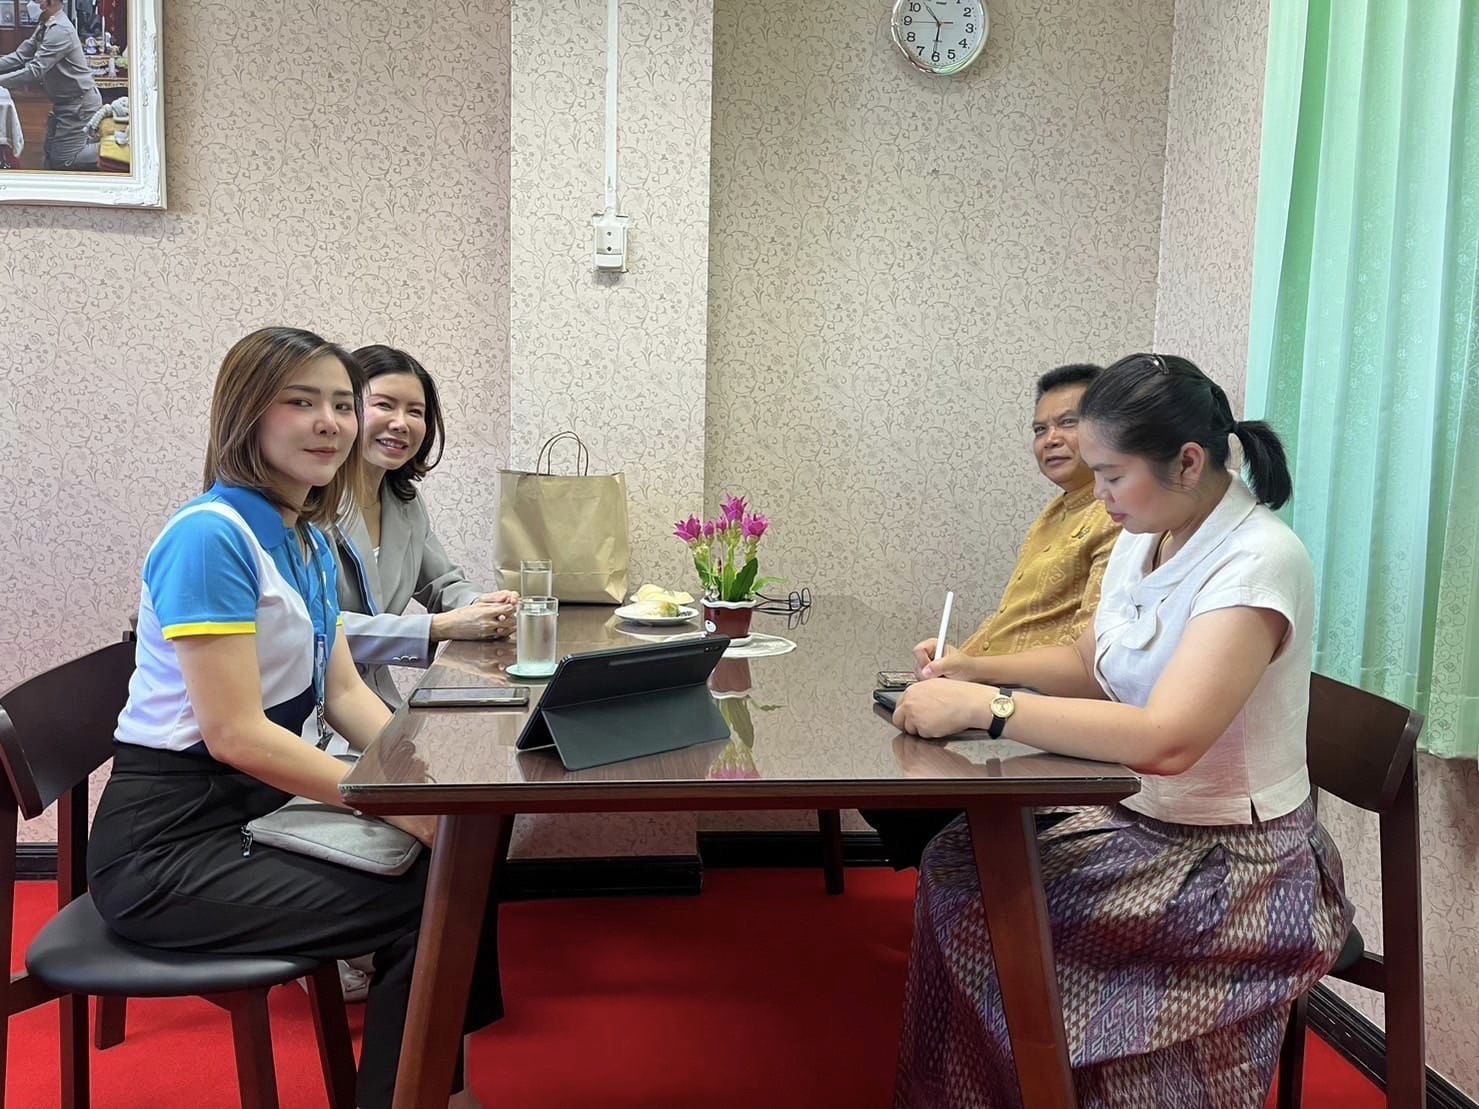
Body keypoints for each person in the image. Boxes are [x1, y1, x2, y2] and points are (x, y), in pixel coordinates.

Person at [889, 352, 1351, 1106]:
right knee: (959, 864)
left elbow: (1169, 738)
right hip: (1139, 822)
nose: (1099, 497)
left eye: (1110, 475)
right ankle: (1023, 1082)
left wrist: (989, 709)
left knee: (1000, 912)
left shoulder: (1257, 562)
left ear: (1188, 460)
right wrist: (976, 667)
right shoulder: (1148, 532)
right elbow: (1090, 657)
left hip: (1228, 862)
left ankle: (1083, 1078)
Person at [86, 327, 501, 1109]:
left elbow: (344, 695)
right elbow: (235, 734)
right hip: (165, 849)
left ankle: (432, 1085)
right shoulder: (210, 536)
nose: (330, 422)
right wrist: (396, 808)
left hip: (256, 809)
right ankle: (416, 1094)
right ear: (247, 414)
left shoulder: (304, 534)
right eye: (301, 401)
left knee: (462, 849)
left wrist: (427, 789)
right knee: (437, 890)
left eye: (341, 404)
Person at [862, 363, 1120, 868]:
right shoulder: (1057, 511)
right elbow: (1016, 618)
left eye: (1068, 423)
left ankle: (973, 897)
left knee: (897, 778)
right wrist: (960, 656)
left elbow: (1086, 656)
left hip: (1044, 703)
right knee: (883, 737)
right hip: (1001, 689)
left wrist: (975, 675)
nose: (1051, 439)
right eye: (1039, 429)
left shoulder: (1115, 519)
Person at [334, 344, 519, 711]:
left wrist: (484, 606)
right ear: (345, 409)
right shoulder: (305, 505)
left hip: (371, 701)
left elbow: (442, 584)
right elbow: (316, 628)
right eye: (385, 405)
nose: (401, 423)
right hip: (310, 715)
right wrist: (438, 627)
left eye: (415, 412)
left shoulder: (405, 503)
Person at [0, 0, 101, 170]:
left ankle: (103, 149)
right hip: (65, 103)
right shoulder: (46, 24)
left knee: (63, 161)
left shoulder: (60, 31)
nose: (32, 3)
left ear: (50, 2)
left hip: (79, 105)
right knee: (50, 153)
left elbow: (34, 71)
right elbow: (20, 56)